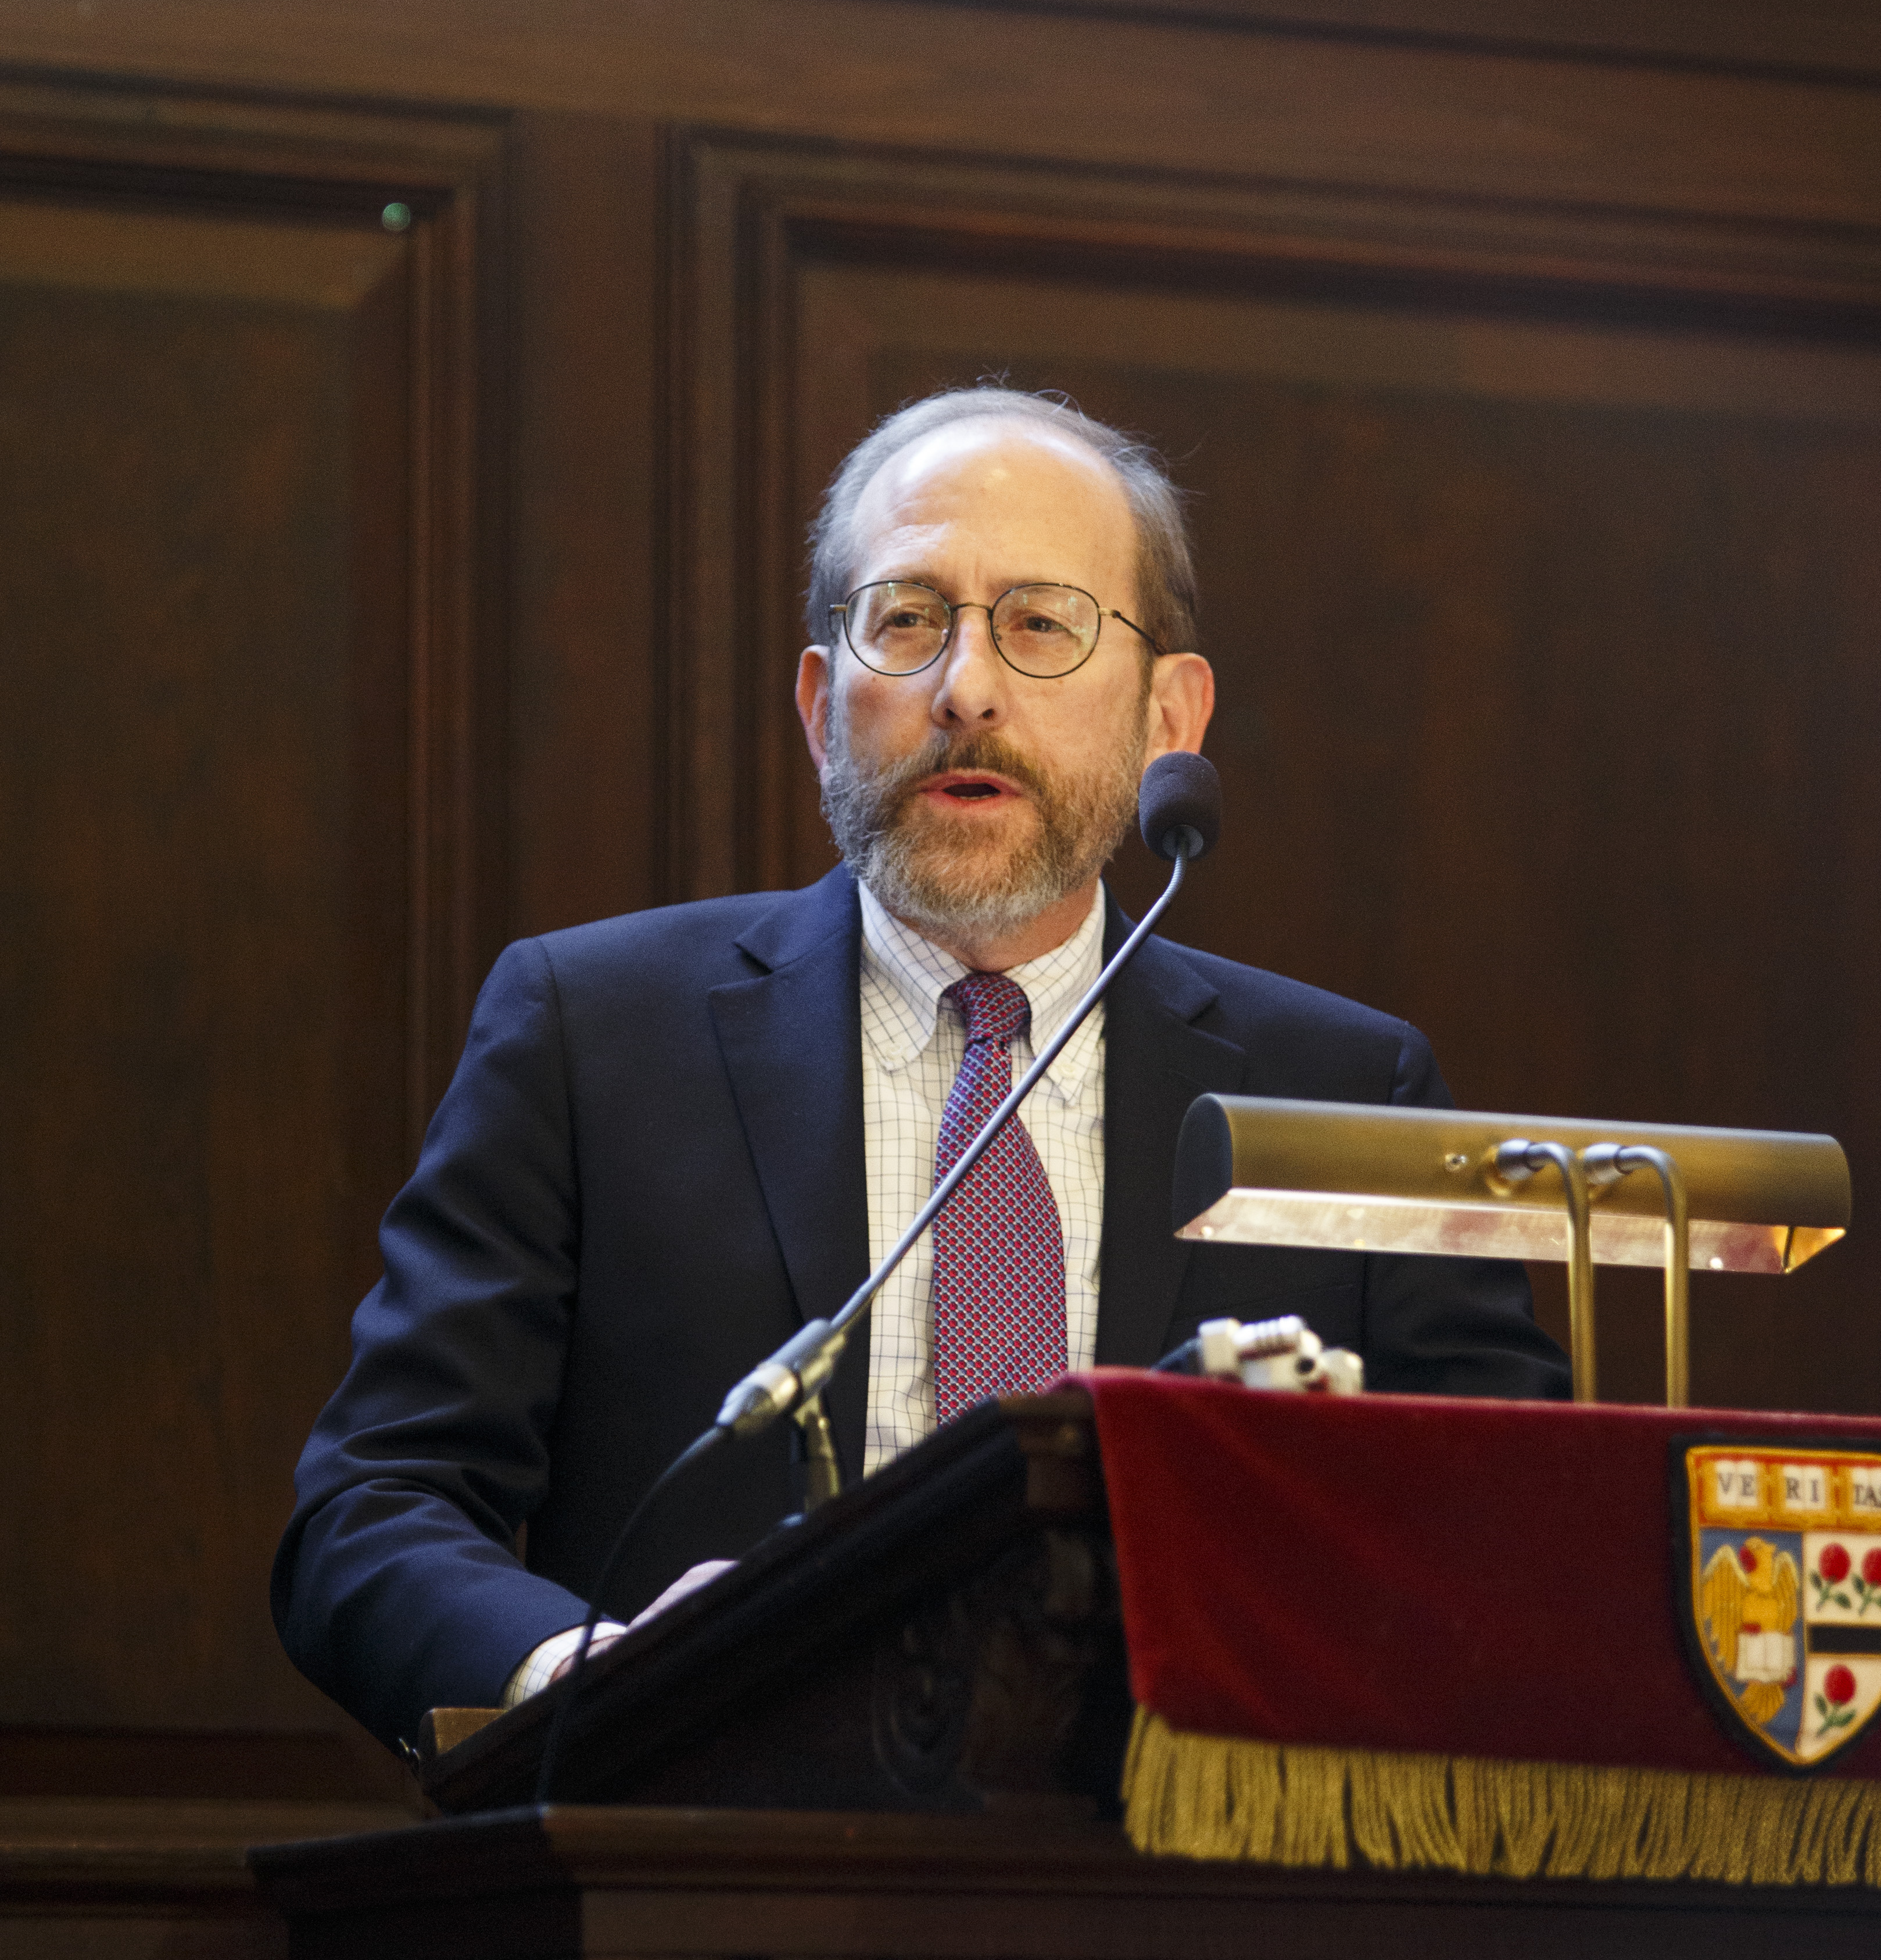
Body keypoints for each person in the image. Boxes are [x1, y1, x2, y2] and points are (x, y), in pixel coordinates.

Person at [274, 388, 1566, 1750]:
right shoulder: (592, 1036)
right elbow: (372, 1511)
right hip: (711, 1877)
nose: (966, 689)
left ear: (1166, 716)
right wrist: (587, 1670)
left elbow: (1508, 1532)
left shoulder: (1342, 1091)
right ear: (822, 706)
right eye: (906, 620)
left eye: (1039, 624)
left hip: (1197, 1899)